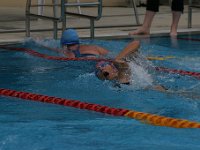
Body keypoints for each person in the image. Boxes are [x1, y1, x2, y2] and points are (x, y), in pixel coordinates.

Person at [95, 40, 167, 92]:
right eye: (105, 73)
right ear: (112, 72)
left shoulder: (120, 70)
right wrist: (117, 59)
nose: (101, 68)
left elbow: (136, 42)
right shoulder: (121, 76)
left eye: (102, 66)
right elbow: (136, 42)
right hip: (155, 90)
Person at [42, 28, 109, 58]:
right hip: (99, 59)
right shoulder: (94, 47)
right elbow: (110, 55)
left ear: (64, 44)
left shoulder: (68, 51)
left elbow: (55, 50)